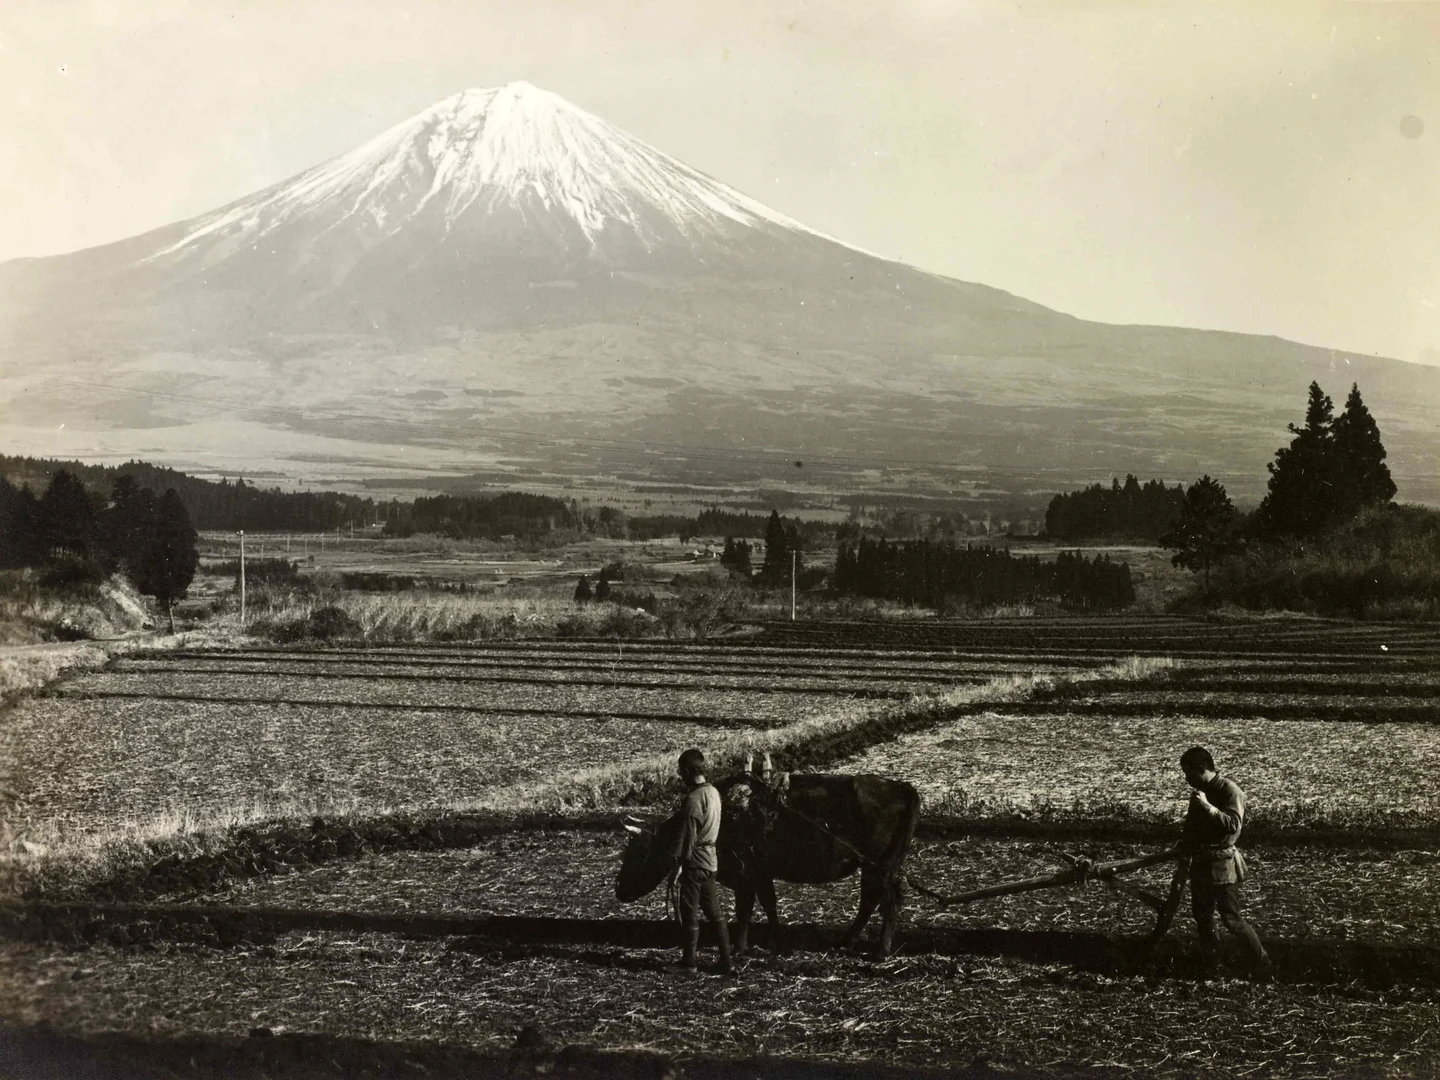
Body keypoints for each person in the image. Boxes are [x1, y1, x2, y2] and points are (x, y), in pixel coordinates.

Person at [1166, 746, 1272, 978]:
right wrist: (1181, 845)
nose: (1186, 779)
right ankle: (1212, 963)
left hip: (1223, 864)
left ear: (1201, 769)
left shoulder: (1230, 791)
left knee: (1231, 918)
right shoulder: (1200, 792)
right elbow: (1192, 828)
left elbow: (1234, 824)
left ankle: (1261, 962)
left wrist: (1207, 807)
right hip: (1201, 863)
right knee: (1202, 916)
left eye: (1188, 773)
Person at [667, 748, 735, 975]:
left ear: (687, 771)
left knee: (690, 911)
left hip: (695, 862)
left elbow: (688, 836)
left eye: (681, 772)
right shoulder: (715, 792)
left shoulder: (693, 799)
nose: (680, 776)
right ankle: (727, 961)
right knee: (715, 912)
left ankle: (689, 963)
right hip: (711, 861)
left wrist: (677, 866)